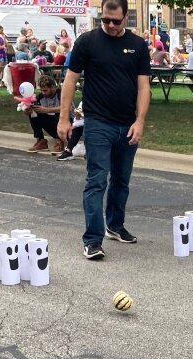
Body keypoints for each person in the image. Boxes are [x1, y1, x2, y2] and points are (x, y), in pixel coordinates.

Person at [58, 0, 151, 260]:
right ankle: (92, 240)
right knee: (97, 179)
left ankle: (115, 225)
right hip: (98, 122)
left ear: (126, 18)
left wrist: (140, 121)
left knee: (121, 181)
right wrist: (63, 119)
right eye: (106, 20)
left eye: (116, 21)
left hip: (128, 124)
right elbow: (70, 80)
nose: (110, 25)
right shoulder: (87, 42)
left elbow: (144, 87)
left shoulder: (137, 45)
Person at [25, 75, 67, 155]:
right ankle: (41, 140)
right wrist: (28, 111)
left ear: (52, 87)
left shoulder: (61, 94)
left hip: (66, 125)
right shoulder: (40, 97)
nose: (43, 93)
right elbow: (30, 112)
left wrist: (47, 110)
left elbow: (68, 108)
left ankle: (59, 142)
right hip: (53, 126)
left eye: (45, 90)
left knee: (61, 113)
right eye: (42, 90)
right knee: (34, 112)